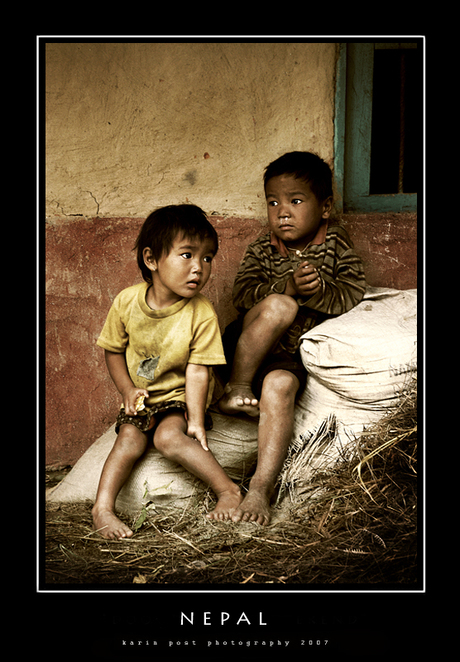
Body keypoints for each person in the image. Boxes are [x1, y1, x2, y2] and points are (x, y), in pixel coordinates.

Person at [218, 151, 366, 525]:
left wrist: (316, 292)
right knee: (281, 307)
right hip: (250, 342)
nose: (282, 212)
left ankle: (260, 489)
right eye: (273, 202)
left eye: (295, 201)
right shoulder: (263, 246)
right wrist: (285, 288)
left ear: (326, 206)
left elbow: (352, 293)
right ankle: (235, 388)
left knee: (282, 385)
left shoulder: (337, 247)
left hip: (289, 354)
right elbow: (242, 295)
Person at [93, 204, 242, 539]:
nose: (199, 268)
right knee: (129, 439)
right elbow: (113, 351)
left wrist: (196, 419)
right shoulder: (127, 302)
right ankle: (102, 508)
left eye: (207, 258)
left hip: (177, 397)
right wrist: (127, 391)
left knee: (168, 438)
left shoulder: (200, 312)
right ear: (151, 259)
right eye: (187, 255)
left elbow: (198, 371)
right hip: (142, 398)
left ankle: (228, 490)